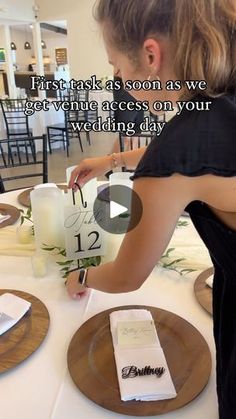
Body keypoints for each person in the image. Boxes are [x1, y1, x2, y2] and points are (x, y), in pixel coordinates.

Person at [66, 1, 236, 417]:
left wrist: (82, 273)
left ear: (151, 56)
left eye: (116, 66)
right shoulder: (220, 100)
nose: (118, 78)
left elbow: (127, 276)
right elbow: (196, 155)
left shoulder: (176, 155)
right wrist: (112, 162)